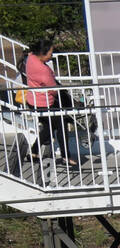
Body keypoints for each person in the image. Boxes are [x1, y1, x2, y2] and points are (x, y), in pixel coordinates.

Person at [24, 39, 77, 168]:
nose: (51, 56)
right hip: (45, 103)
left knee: (49, 127)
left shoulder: (31, 58)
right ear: (42, 53)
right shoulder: (43, 70)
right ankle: (66, 157)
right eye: (50, 53)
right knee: (61, 126)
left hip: (33, 101)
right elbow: (54, 90)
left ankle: (34, 152)